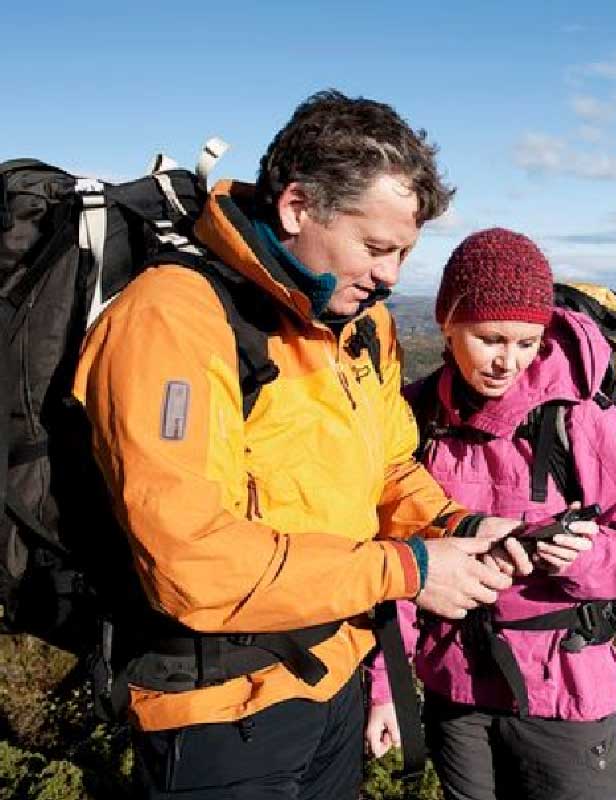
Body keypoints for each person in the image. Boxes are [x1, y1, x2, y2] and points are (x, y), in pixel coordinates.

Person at [72, 91, 528, 799]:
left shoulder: (358, 326)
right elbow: (189, 561)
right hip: (219, 710)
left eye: (405, 253)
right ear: (295, 208)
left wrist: (457, 527)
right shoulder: (172, 319)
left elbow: (388, 469)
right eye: (376, 248)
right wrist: (408, 571)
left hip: (336, 674)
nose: (390, 277)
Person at [365, 228, 616, 800]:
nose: (509, 361)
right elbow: (401, 559)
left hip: (565, 698)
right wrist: (386, 687)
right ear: (447, 323)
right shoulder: (416, 414)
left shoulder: (578, 418)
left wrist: (585, 556)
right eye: (490, 339)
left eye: (527, 343)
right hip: (455, 693)